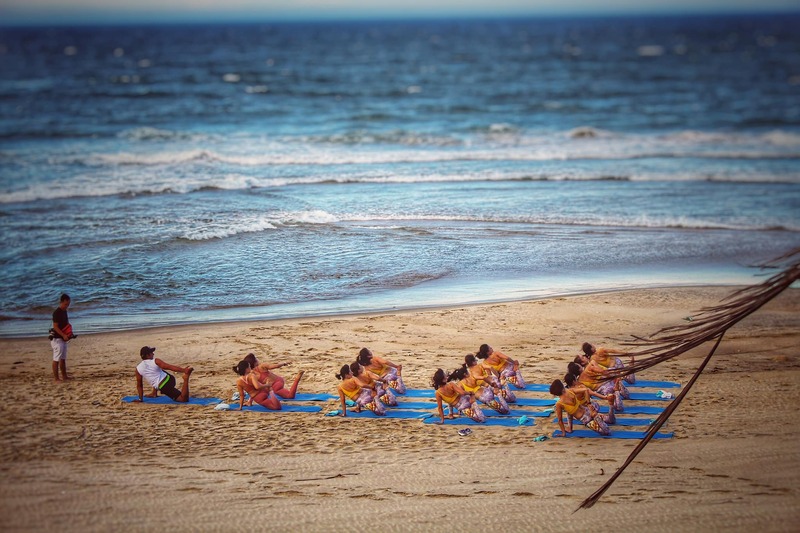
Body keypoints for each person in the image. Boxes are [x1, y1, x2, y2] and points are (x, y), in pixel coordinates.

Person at [50, 293, 74, 382]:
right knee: (56, 358)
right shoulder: (57, 313)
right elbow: (55, 326)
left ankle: (64, 376)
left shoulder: (65, 312)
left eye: (68, 304)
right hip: (56, 339)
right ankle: (56, 378)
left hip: (63, 338)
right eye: (65, 304)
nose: (67, 306)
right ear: (61, 302)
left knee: (63, 358)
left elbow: (66, 324)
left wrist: (69, 334)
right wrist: (63, 335)